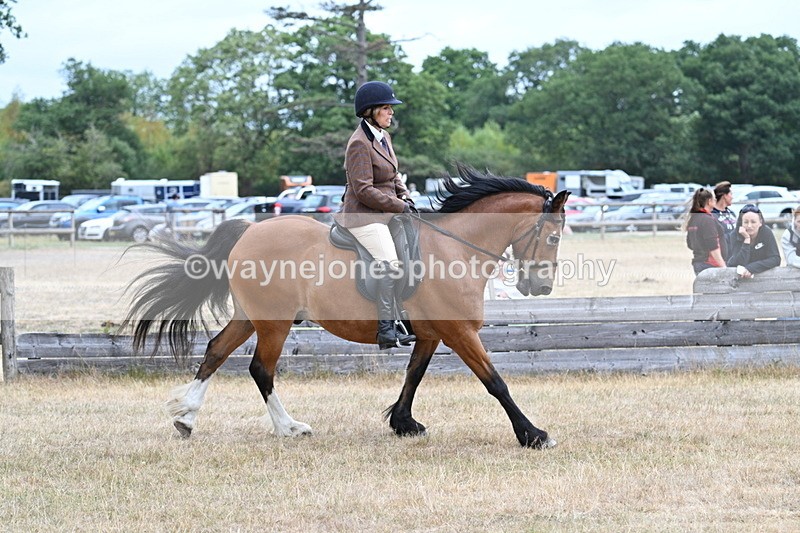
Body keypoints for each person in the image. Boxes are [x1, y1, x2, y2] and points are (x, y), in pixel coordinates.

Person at [339, 81, 416, 349]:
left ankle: (407, 318)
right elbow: (363, 191)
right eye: (386, 108)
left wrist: (405, 196)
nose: (391, 112)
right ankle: (386, 328)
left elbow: (393, 177)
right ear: (370, 111)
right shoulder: (359, 144)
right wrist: (399, 206)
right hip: (364, 217)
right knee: (389, 262)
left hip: (385, 214)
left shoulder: (383, 138)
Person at [727, 204, 781, 278]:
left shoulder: (766, 232)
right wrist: (746, 239)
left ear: (760, 222)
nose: (749, 225)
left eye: (753, 222)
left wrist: (752, 268)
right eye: (746, 222)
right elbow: (739, 262)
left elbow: (776, 259)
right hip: (736, 278)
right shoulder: (734, 235)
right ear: (741, 223)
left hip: (760, 276)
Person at [686, 188, 727, 275]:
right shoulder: (707, 220)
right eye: (714, 199)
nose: (716, 201)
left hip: (699, 263)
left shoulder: (693, 219)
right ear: (709, 201)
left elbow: (689, 244)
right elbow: (713, 246)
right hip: (710, 265)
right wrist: (723, 267)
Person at [711, 181, 737, 256]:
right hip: (722, 256)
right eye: (731, 194)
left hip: (735, 255)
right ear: (725, 195)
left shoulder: (731, 214)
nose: (732, 197)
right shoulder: (712, 215)